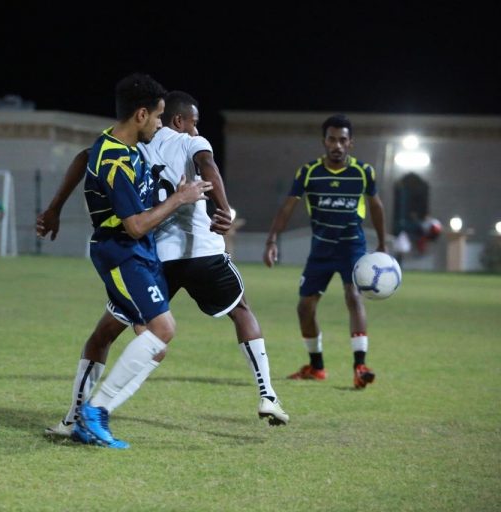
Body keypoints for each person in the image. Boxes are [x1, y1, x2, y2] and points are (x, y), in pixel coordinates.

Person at [38, 90, 289, 445]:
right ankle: (267, 394)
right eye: (193, 122)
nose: (196, 128)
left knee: (112, 334)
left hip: (156, 257)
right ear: (177, 119)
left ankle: (77, 416)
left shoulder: (136, 145)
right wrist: (223, 209)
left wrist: (55, 207)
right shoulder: (189, 142)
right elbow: (209, 166)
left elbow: (84, 157)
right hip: (197, 251)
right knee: (239, 311)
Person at [262, 114, 386, 389]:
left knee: (354, 295)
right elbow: (287, 207)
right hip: (320, 249)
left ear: (351, 143)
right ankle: (316, 367)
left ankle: (360, 366)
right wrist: (271, 240)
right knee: (305, 307)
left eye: (342, 140)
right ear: (324, 141)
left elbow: (376, 206)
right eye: (332, 139)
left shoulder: (363, 172)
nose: (337, 145)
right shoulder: (309, 172)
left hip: (352, 247)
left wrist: (383, 244)